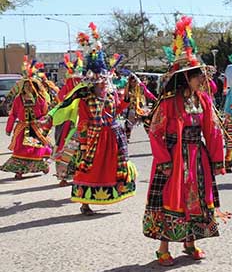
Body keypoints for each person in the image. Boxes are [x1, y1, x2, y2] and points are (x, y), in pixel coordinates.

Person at [143, 16, 227, 265]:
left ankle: (190, 242)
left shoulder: (203, 101)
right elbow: (155, 132)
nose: (202, 79)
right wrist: (164, 160)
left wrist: (218, 160)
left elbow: (212, 130)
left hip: (197, 156)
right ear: (185, 77)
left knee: (198, 198)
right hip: (174, 157)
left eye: (201, 74)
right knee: (172, 199)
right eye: (197, 75)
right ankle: (163, 247)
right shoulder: (168, 102)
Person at [60, 24, 137, 215]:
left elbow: (118, 109)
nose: (102, 84)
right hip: (94, 138)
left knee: (115, 167)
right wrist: (86, 141)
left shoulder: (111, 96)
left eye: (104, 80)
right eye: (99, 81)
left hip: (112, 136)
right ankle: (85, 202)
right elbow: (84, 121)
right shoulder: (85, 100)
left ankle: (112, 194)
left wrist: (127, 97)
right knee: (89, 168)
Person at [1, 57, 53, 179]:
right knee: (20, 149)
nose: (28, 89)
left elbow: (46, 115)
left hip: (36, 129)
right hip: (22, 128)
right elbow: (13, 114)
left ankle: (42, 166)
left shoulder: (40, 99)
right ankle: (19, 171)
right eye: (26, 86)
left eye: (31, 86)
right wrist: (8, 128)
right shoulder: (18, 99)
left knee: (36, 150)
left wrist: (43, 124)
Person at [52, 52, 84, 185]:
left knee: (70, 150)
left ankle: (67, 177)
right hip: (67, 125)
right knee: (67, 149)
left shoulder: (82, 89)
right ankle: (64, 177)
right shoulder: (70, 90)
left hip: (77, 124)